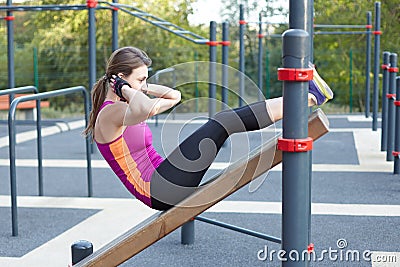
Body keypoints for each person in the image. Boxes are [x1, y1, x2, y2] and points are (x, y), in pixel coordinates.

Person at [83, 46, 333, 211]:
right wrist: (125, 89)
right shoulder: (109, 113)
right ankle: (308, 98)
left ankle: (308, 98)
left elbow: (174, 96)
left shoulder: (128, 102)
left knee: (223, 121)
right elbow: (146, 109)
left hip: (164, 176)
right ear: (119, 79)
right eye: (140, 79)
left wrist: (140, 86)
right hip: (158, 189)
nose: (144, 84)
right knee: (222, 123)